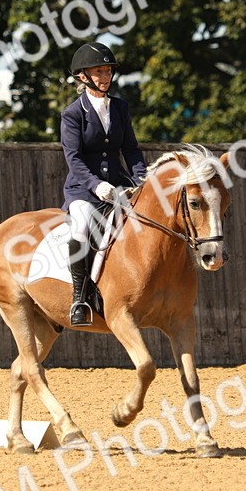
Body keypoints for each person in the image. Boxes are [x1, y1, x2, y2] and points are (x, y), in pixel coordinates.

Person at [60, 41, 147, 326]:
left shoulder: (120, 107)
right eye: (99, 71)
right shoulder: (73, 114)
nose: (105, 76)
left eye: (108, 70)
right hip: (84, 189)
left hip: (120, 185)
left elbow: (131, 149)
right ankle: (79, 298)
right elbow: (73, 158)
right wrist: (97, 186)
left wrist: (141, 180)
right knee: (83, 226)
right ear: (83, 75)